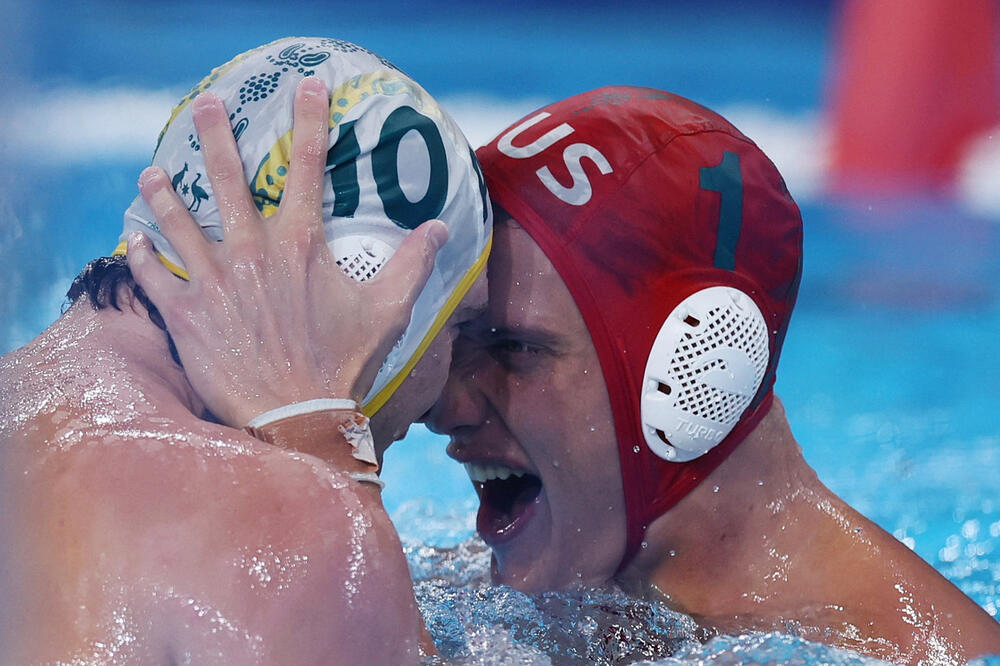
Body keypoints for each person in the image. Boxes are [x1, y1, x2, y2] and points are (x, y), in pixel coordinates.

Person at [424, 86, 1000, 665]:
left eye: (515, 349)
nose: (445, 408)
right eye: (458, 338)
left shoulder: (900, 656)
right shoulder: (498, 596)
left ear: (696, 362)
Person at [0, 37, 491, 664]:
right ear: (364, 284)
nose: (450, 397)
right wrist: (323, 451)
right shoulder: (298, 532)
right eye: (461, 326)